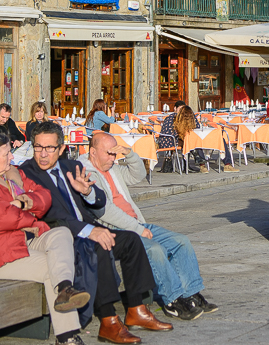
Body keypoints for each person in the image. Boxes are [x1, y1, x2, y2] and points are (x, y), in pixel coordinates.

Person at [20, 121, 168, 345]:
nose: (42, 154)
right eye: (38, 147)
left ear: (61, 148)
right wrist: (90, 231)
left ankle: (137, 309)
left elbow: (100, 201)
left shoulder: (71, 167)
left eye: (49, 148)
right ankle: (109, 320)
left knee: (131, 240)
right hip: (60, 238)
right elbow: (49, 216)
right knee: (99, 247)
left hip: (87, 228)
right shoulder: (27, 173)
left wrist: (87, 191)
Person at [0, 131, 90, 345]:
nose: (12, 157)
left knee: (62, 233)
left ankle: (65, 289)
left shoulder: (13, 175)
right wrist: (30, 219)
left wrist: (23, 201)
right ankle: (67, 337)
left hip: (22, 241)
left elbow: (44, 196)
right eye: (7, 153)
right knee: (52, 267)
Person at [81, 131, 218, 319]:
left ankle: (191, 293)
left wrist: (129, 154)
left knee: (181, 241)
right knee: (155, 250)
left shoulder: (112, 168)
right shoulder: (87, 175)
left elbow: (138, 174)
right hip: (117, 230)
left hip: (137, 223)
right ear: (93, 152)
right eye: (108, 153)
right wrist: (138, 229)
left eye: (114, 153)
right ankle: (172, 301)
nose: (113, 158)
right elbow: (104, 212)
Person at [156, 101, 185, 173]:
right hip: (171, 142)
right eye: (180, 109)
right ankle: (186, 166)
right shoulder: (178, 118)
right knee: (187, 143)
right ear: (175, 108)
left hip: (162, 142)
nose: (181, 111)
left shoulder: (168, 117)